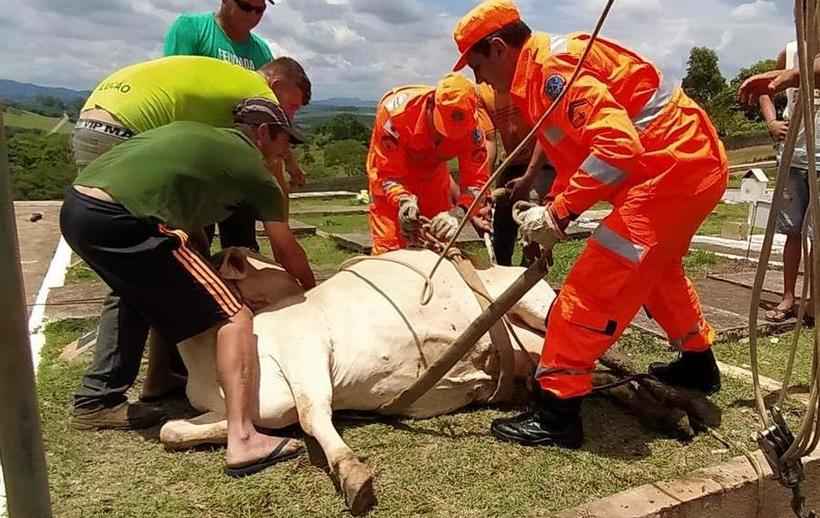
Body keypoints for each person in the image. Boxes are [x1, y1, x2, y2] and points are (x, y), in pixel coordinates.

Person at [452, 0, 728, 448]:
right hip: (683, 166)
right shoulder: (540, 76)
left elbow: (618, 147)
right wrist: (554, 211)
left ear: (498, 48)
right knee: (658, 274)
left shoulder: (555, 69)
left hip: (670, 173)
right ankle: (699, 363)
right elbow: (577, 156)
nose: (478, 79)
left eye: (476, 65)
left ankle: (558, 412)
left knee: (591, 289)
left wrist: (558, 215)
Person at [62, 99, 314, 476]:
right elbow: (285, 247)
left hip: (78, 209)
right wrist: (312, 293)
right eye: (284, 141)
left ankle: (106, 399)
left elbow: (185, 217)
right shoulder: (256, 173)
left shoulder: (193, 134)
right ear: (263, 133)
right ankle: (243, 438)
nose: (286, 150)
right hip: (123, 219)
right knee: (233, 315)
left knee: (136, 294)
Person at [366, 72, 493, 255]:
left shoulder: (473, 130)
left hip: (433, 178)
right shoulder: (394, 114)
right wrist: (403, 200)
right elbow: (389, 174)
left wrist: (459, 213)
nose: (446, 137)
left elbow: (478, 182)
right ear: (432, 103)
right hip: (391, 179)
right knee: (390, 251)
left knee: (438, 246)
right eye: (442, 129)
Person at [759, 42, 820, 322]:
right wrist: (771, 122)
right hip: (793, 155)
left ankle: (814, 300)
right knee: (792, 231)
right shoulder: (791, 50)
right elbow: (765, 90)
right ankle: (787, 297)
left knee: (816, 236)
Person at [476, 82, 555, 265]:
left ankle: (532, 275)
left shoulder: (529, 81)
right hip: (512, 162)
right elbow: (489, 140)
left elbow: (547, 128)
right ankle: (502, 272)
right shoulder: (482, 91)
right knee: (501, 220)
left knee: (533, 221)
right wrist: (483, 190)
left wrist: (528, 178)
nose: (479, 76)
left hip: (542, 162)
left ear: (499, 52)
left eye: (478, 66)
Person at [164, 0, 273, 71]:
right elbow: (173, 83)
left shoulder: (263, 52)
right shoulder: (190, 28)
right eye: (245, 7)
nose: (252, 15)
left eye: (259, 10)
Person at [739, 54, 820, 106]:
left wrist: (794, 75)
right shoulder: (788, 51)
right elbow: (770, 89)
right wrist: (772, 122)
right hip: (796, 125)